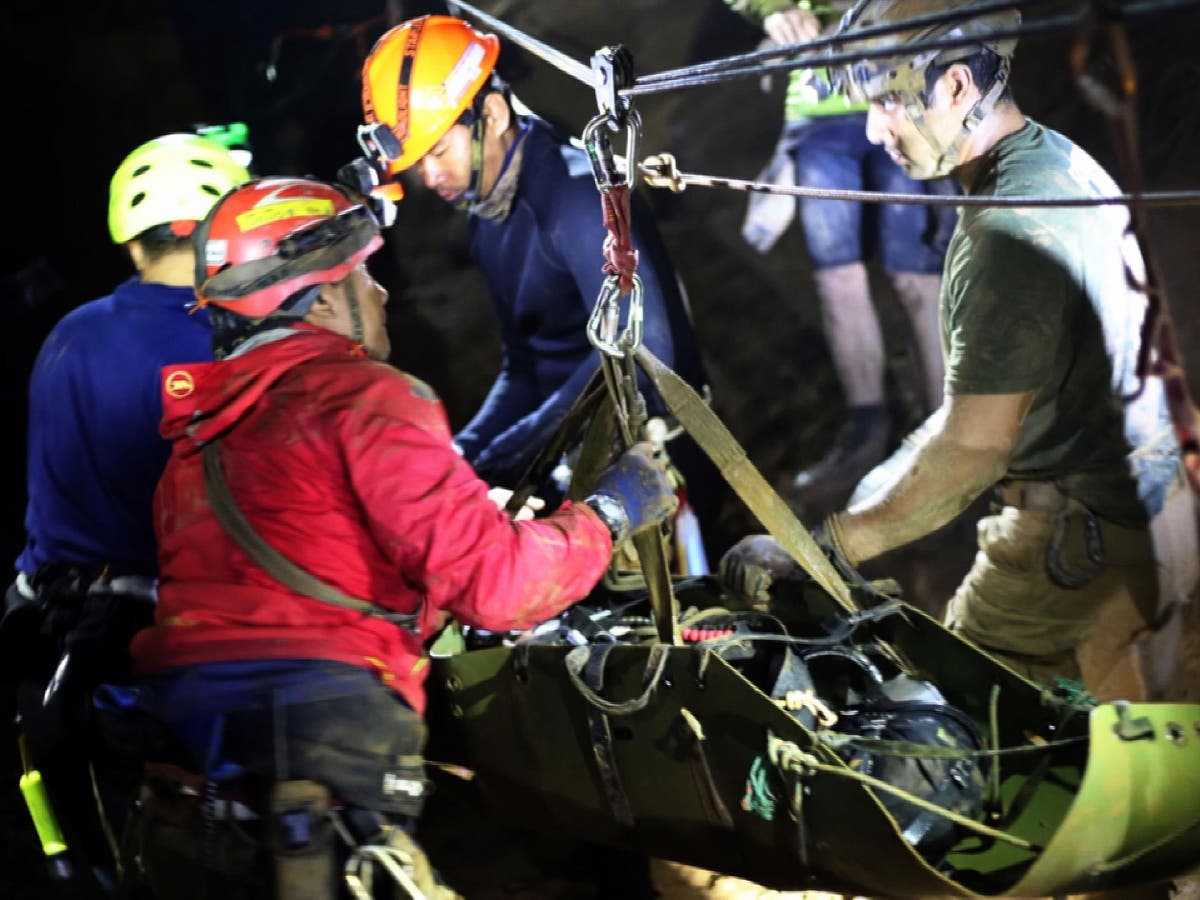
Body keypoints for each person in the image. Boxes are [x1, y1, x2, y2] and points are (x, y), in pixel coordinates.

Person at [118, 176, 678, 900]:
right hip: (325, 742)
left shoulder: (197, 444)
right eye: (364, 275)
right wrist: (607, 512)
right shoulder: (367, 398)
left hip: (188, 754)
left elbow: (302, 568)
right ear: (319, 299)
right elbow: (501, 587)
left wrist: (473, 523)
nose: (382, 294)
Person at [718, 0, 1195, 703]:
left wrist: (824, 549)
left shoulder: (1005, 235)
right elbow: (961, 419)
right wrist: (840, 523)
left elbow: (971, 450)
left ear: (957, 88)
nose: (875, 129)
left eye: (886, 101)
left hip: (1076, 548)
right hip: (1158, 513)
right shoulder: (1055, 159)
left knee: (961, 727)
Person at [354, 13, 726, 568]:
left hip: (657, 465)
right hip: (575, 457)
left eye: (438, 152)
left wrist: (514, 449)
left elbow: (647, 360)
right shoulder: (487, 207)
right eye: (417, 163)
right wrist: (465, 454)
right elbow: (526, 365)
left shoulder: (578, 199)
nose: (430, 179)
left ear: (495, 114)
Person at [1, 132, 251, 894]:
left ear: (134, 240)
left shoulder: (66, 334)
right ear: (218, 232)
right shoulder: (224, 340)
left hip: (46, 637)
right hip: (168, 656)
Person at [725, 0, 958, 515]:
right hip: (818, 105)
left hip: (904, 88)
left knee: (916, 276)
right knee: (837, 279)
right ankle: (866, 429)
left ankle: (952, 433)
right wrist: (774, 8)